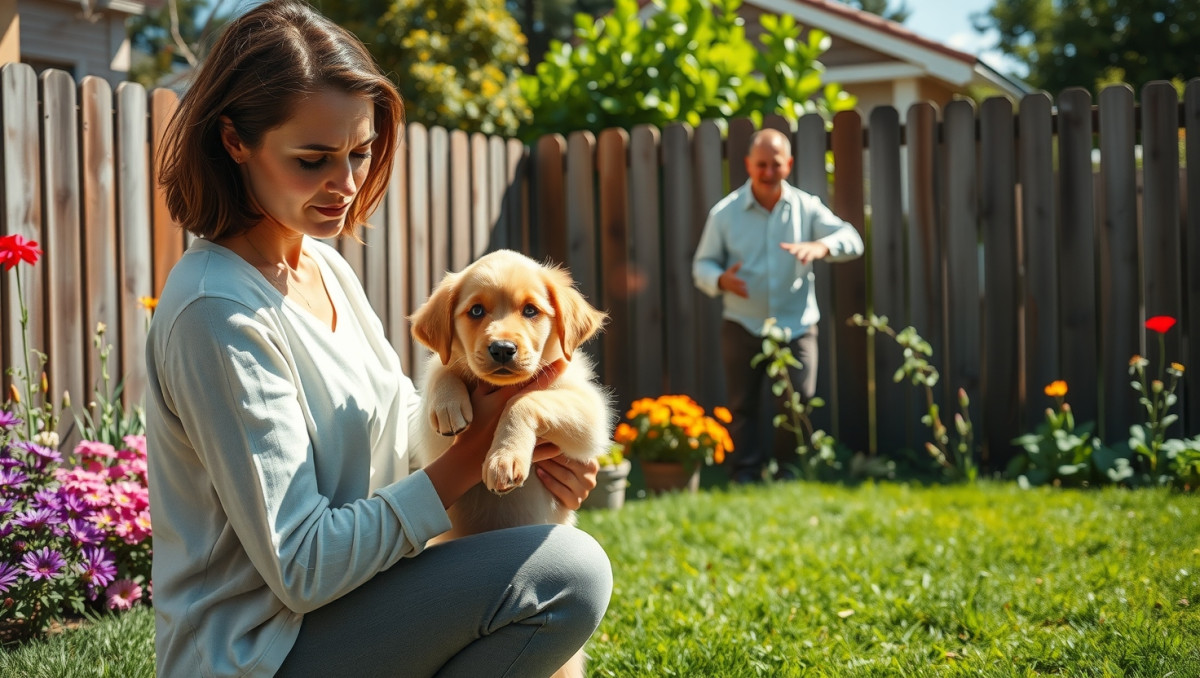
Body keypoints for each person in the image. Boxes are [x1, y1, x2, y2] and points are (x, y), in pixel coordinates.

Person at [146, 2, 611, 676]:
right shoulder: (216, 313)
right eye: (313, 160)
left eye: (360, 153)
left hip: (350, 609)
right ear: (234, 140)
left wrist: (538, 461)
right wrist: (478, 446)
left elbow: (403, 438)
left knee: (549, 554)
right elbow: (300, 567)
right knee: (569, 572)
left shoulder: (323, 267)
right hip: (257, 652)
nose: (346, 185)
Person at [692, 128, 864, 484]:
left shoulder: (807, 206)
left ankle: (788, 472)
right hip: (742, 323)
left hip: (796, 323)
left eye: (776, 164)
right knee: (743, 405)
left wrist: (822, 248)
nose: (768, 172)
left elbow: (852, 238)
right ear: (748, 165)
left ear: (789, 164)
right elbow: (701, 265)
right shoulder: (725, 214)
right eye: (761, 165)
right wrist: (721, 280)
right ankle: (745, 473)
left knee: (797, 399)